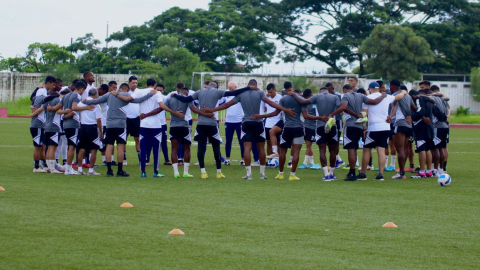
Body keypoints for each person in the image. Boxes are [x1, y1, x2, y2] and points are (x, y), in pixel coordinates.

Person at [204, 80, 295, 180]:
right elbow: (271, 103)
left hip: (246, 122)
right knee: (261, 148)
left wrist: (211, 110)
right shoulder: (259, 93)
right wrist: (285, 109)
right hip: (258, 123)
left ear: (248, 86)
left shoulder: (241, 93)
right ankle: (262, 174)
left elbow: (226, 105)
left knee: (247, 148)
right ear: (256, 86)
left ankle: (249, 174)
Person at [172, 81, 252, 179]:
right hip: (212, 123)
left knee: (201, 147)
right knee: (216, 147)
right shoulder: (217, 92)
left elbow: (187, 99)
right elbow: (233, 93)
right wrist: (248, 88)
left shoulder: (200, 91)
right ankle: (218, 172)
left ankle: (203, 172)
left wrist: (176, 95)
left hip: (201, 123)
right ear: (215, 87)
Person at [82, 83, 155, 177]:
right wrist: (150, 94)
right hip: (120, 124)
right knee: (120, 146)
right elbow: (139, 100)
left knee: (109, 145)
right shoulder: (126, 95)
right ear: (127, 89)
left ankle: (109, 170)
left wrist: (84, 101)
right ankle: (120, 170)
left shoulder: (109, 95)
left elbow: (96, 101)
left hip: (109, 124)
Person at [328, 83, 387, 181]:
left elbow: (343, 107)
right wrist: (382, 96)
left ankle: (352, 173)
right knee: (355, 148)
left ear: (345, 90)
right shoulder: (361, 95)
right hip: (359, 126)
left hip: (350, 124)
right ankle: (356, 170)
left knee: (351, 149)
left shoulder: (346, 96)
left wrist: (331, 114)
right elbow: (374, 102)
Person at [356, 82, 408, 181]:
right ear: (379, 89)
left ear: (370, 89)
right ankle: (380, 175)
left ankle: (363, 173)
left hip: (374, 127)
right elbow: (398, 97)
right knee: (381, 150)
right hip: (385, 127)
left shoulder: (368, 98)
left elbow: (364, 114)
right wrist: (404, 92)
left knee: (366, 149)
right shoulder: (387, 97)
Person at [288, 86, 341, 181]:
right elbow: (341, 108)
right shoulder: (334, 97)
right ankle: (332, 173)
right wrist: (331, 115)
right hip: (332, 124)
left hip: (320, 125)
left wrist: (294, 95)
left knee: (322, 150)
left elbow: (303, 102)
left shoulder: (317, 97)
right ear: (328, 91)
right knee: (333, 150)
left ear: (320, 92)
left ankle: (326, 174)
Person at [164, 87, 214, 178]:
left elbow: (162, 107)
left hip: (173, 126)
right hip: (184, 126)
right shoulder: (187, 99)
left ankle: (176, 173)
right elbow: (194, 109)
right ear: (187, 94)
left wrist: (173, 112)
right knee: (187, 148)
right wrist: (207, 114)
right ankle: (185, 172)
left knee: (174, 149)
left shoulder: (170, 98)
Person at [55, 81, 95, 175]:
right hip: (73, 123)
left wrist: (64, 114)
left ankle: (68, 167)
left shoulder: (66, 96)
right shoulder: (77, 96)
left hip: (65, 124)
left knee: (70, 145)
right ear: (81, 89)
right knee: (72, 146)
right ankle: (69, 168)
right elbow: (74, 108)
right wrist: (86, 108)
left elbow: (57, 110)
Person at [221, 81, 259, 166]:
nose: (231, 91)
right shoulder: (226, 94)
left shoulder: (241, 94)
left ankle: (243, 159)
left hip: (239, 121)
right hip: (228, 121)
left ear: (236, 87)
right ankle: (227, 159)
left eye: (232, 89)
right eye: (229, 89)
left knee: (242, 141)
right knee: (228, 141)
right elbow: (222, 103)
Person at [28, 75, 56, 172]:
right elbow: (41, 108)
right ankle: (36, 167)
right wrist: (32, 114)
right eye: (52, 84)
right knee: (38, 147)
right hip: (37, 124)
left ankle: (43, 165)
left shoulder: (41, 95)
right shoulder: (42, 95)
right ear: (47, 83)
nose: (53, 87)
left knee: (42, 146)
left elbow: (32, 100)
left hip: (41, 124)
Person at [388, 80, 415, 179]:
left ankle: (401, 173)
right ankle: (402, 170)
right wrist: (411, 117)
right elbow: (414, 108)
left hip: (399, 123)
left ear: (392, 86)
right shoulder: (408, 96)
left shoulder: (395, 95)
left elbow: (394, 107)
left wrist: (390, 116)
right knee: (405, 148)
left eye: (390, 87)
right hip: (408, 125)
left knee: (400, 150)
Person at [76, 88, 103, 175]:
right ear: (96, 94)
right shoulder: (96, 105)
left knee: (82, 148)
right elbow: (98, 119)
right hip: (92, 127)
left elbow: (76, 108)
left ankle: (80, 169)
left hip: (83, 126)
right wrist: (101, 132)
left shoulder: (82, 103)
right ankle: (91, 170)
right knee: (94, 149)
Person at [410, 89, 434, 178]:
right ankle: (429, 171)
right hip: (428, 127)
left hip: (421, 127)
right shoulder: (428, 101)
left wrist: (412, 117)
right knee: (427, 149)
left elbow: (420, 111)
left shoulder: (418, 100)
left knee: (421, 149)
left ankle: (422, 172)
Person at [429, 85, 450, 177]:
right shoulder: (442, 99)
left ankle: (435, 170)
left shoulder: (433, 99)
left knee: (436, 148)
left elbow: (436, 113)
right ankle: (441, 169)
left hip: (437, 126)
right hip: (445, 126)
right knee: (441, 148)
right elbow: (448, 107)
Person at [298, 89, 318, 169]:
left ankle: (305, 163)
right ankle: (311, 163)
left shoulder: (315, 103)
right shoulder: (305, 103)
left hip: (313, 127)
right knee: (308, 145)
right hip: (305, 126)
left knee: (309, 144)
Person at [123, 76, 141, 165]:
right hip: (126, 118)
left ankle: (140, 159)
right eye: (133, 83)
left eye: (136, 83)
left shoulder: (139, 92)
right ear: (129, 83)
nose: (135, 84)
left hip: (136, 118)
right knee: (123, 139)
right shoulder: (125, 92)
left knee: (137, 138)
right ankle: (124, 158)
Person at [326, 82, 345, 168]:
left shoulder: (337, 96)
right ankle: (338, 159)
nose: (328, 91)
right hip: (330, 120)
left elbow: (341, 107)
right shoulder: (327, 96)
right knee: (329, 141)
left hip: (337, 120)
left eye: (329, 89)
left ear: (332, 88)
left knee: (335, 141)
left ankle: (337, 160)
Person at [262, 83, 283, 158]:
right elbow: (264, 109)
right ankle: (270, 160)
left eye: (271, 92)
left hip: (277, 122)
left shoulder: (280, 97)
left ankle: (278, 159)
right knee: (268, 142)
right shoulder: (266, 99)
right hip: (268, 123)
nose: (270, 94)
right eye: (268, 92)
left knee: (278, 142)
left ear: (275, 90)